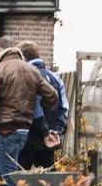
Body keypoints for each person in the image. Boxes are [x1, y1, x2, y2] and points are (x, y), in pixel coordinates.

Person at [0, 36, 59, 186]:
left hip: (6, 131)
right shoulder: (31, 70)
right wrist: (36, 103)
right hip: (23, 131)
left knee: (10, 178)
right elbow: (53, 95)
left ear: (0, 51)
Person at [17, 41, 69, 170]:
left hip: (29, 140)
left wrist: (44, 131)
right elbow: (64, 109)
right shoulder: (56, 78)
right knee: (49, 182)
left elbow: (35, 108)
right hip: (50, 141)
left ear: (23, 58)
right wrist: (56, 131)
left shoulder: (27, 76)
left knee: (19, 180)